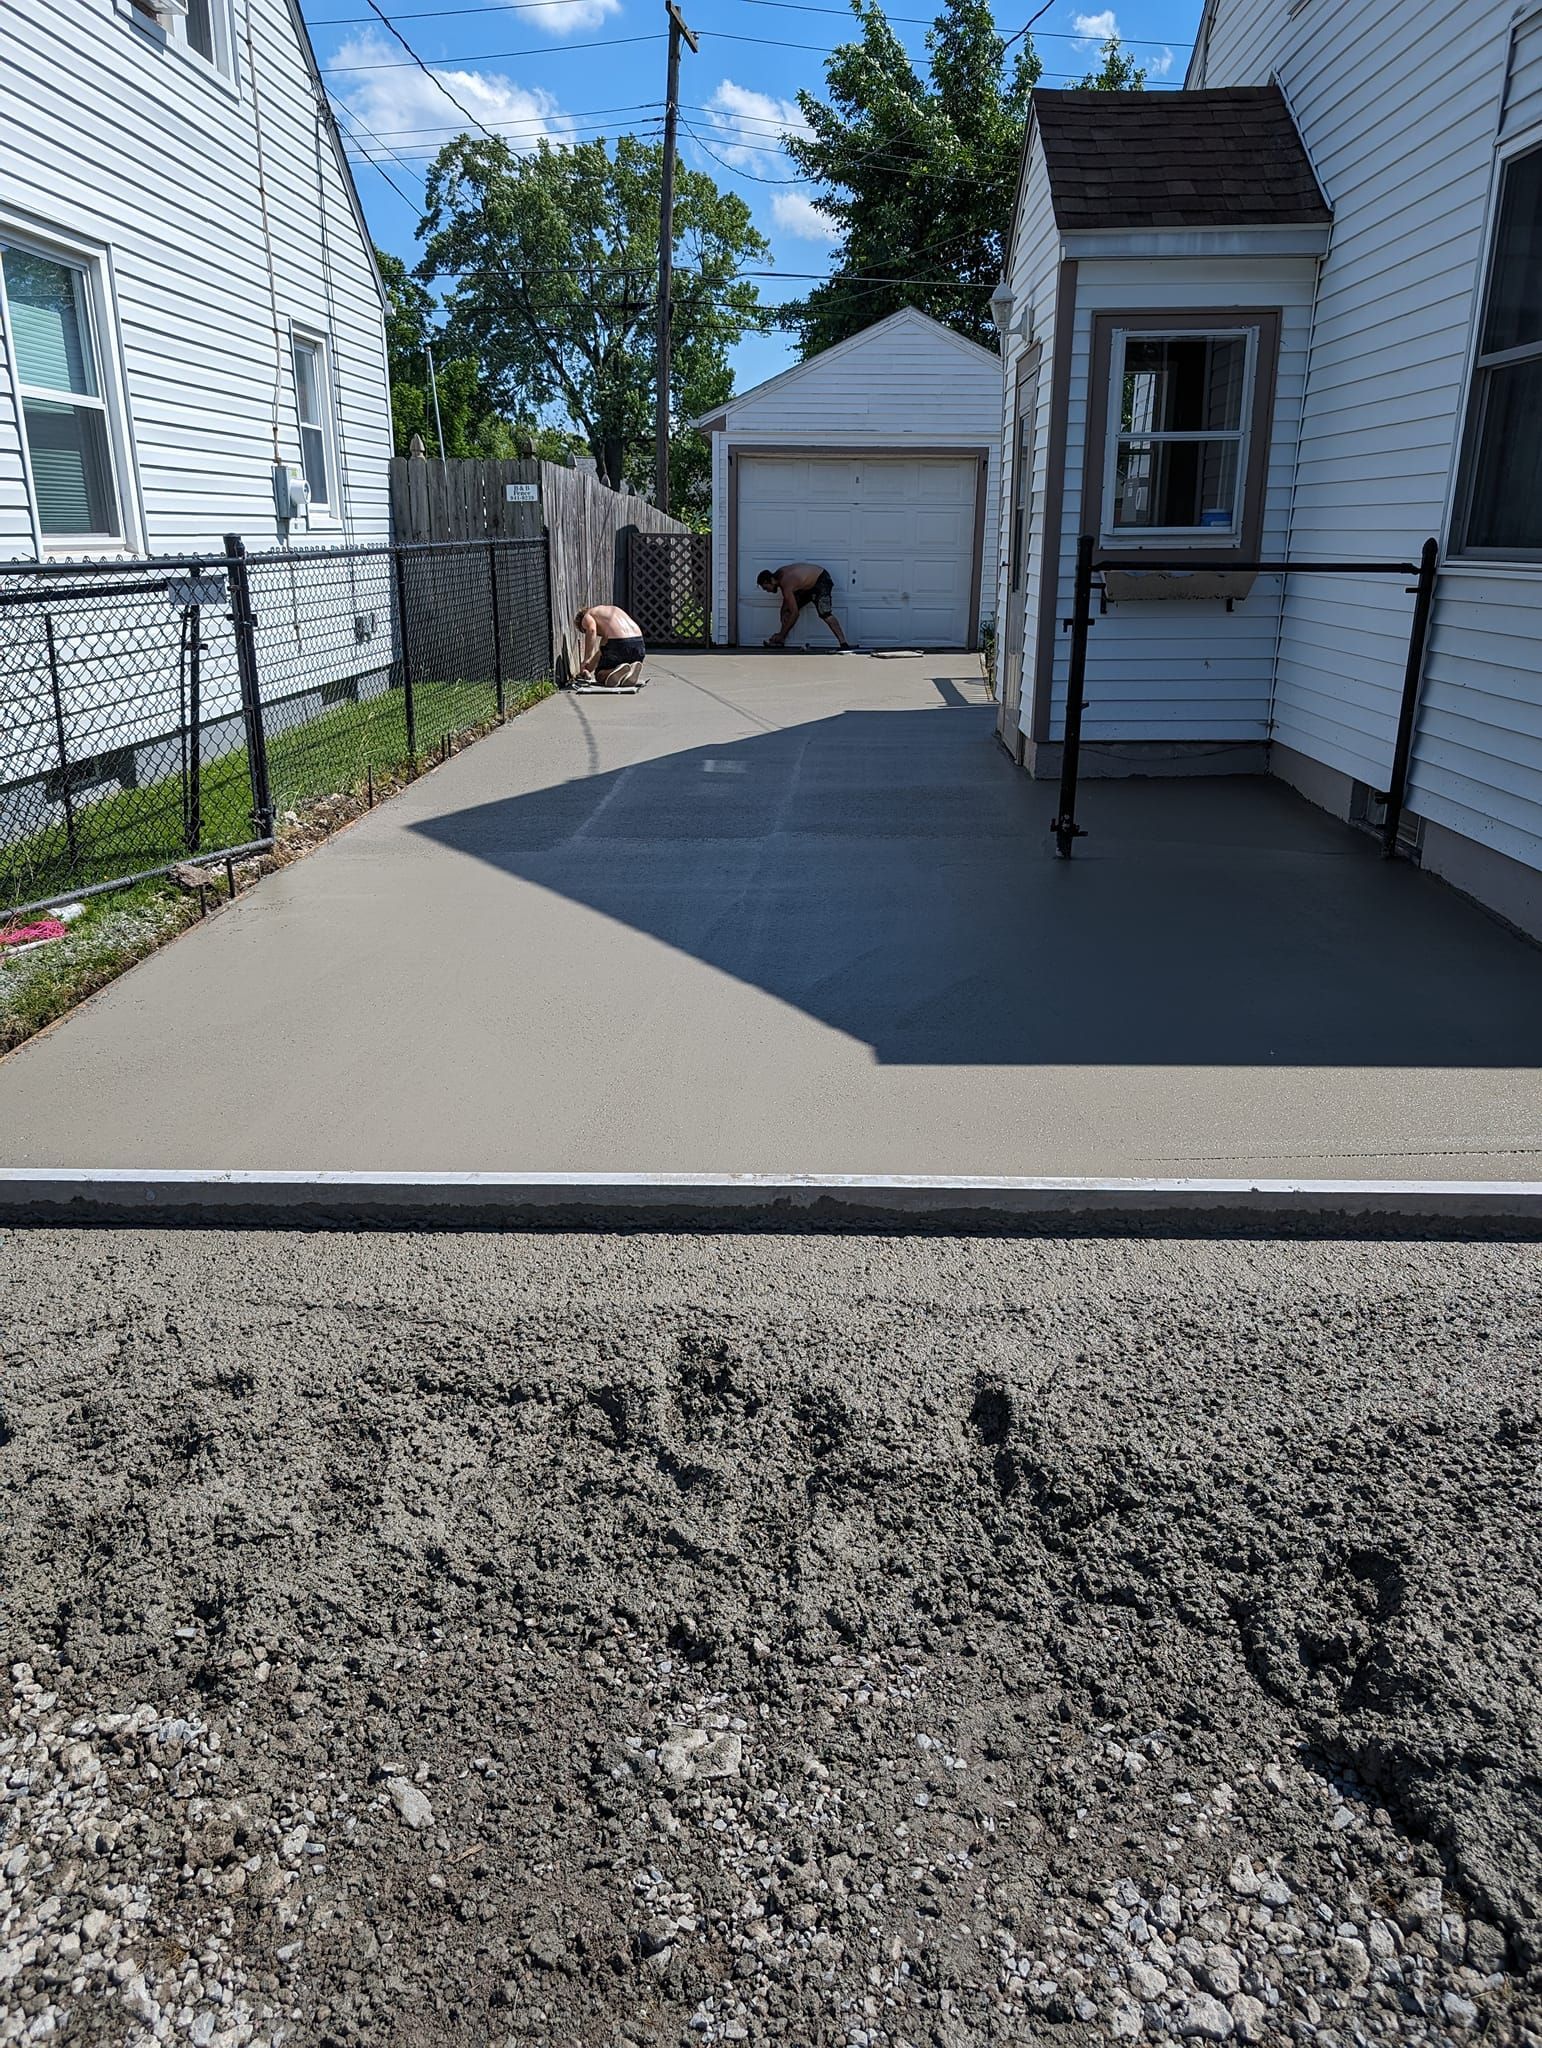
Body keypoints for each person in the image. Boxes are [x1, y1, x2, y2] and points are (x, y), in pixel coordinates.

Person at [757, 564, 854, 651]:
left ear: (769, 581)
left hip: (821, 580)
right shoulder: (779, 576)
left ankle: (844, 644)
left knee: (825, 613)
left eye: (766, 588)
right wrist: (782, 612)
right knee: (787, 611)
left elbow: (795, 614)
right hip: (807, 587)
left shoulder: (786, 582)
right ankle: (780, 641)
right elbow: (787, 598)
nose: (767, 591)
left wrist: (781, 633)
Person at [574, 602, 647, 685]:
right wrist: (587, 669)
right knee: (617, 661)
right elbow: (600, 653)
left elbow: (591, 630)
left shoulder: (588, 615)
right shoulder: (612, 612)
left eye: (584, 630)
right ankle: (630, 669)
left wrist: (586, 659)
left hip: (620, 644)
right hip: (639, 645)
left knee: (600, 675)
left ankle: (617, 670)